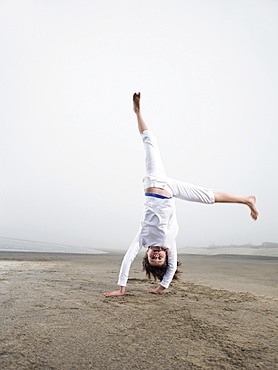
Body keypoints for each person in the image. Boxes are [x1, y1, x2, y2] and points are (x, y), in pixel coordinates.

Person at [104, 93, 258, 296]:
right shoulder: (169, 242)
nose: (157, 256)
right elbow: (172, 269)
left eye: (153, 258)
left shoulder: (142, 239)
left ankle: (138, 112)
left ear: (147, 254)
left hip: (155, 180)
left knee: (150, 141)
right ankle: (246, 199)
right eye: (160, 258)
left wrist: (121, 289)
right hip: (170, 191)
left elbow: (127, 259)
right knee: (208, 197)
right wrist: (161, 288)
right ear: (166, 256)